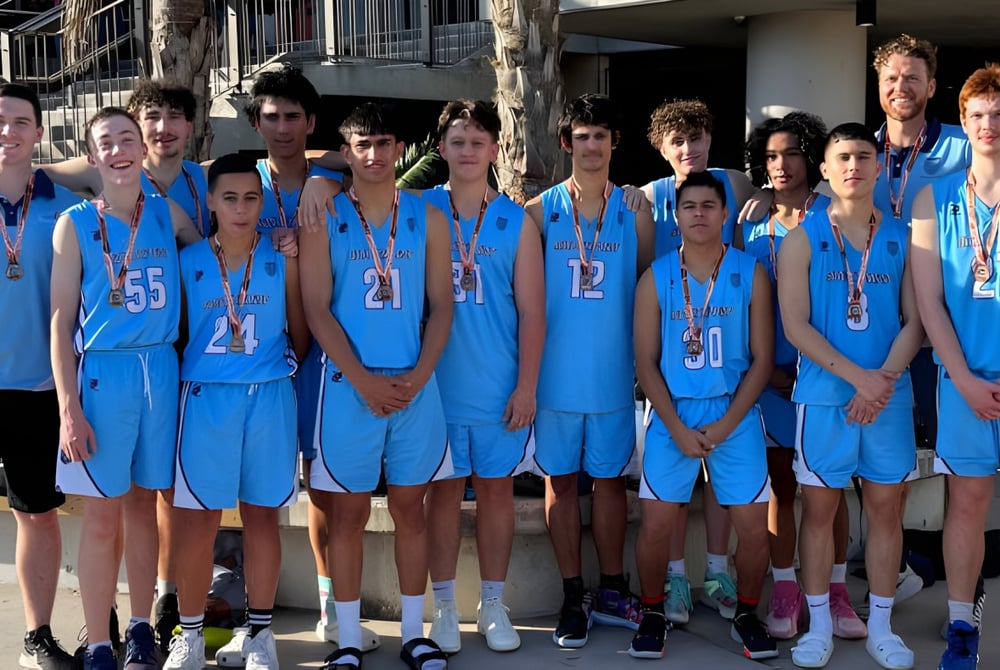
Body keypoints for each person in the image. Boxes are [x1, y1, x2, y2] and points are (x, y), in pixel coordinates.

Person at [299, 102, 453, 670]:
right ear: (346, 150)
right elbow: (316, 309)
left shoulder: (427, 216)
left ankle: (415, 635)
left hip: (415, 387)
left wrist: (418, 376)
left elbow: (442, 307)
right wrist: (363, 380)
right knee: (348, 515)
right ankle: (345, 637)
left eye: (383, 144)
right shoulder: (326, 215)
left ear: (398, 148)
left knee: (411, 511)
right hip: (348, 387)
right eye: (361, 146)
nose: (373, 155)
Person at [50, 107, 199, 670]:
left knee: (142, 507)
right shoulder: (75, 224)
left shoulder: (167, 214)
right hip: (102, 375)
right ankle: (97, 643)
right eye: (105, 142)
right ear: (93, 157)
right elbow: (60, 323)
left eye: (127, 139)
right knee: (102, 515)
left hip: (159, 370)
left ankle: (140, 628)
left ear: (142, 150)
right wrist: (69, 409)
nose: (118, 150)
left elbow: (218, 253)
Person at [778, 123, 923, 670]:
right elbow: (795, 326)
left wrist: (880, 378)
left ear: (879, 166)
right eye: (843, 157)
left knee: (887, 512)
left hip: (887, 399)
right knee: (819, 512)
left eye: (864, 156)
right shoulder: (802, 237)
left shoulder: (901, 236)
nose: (854, 166)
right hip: (824, 400)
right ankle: (818, 627)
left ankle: (882, 627)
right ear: (825, 168)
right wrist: (859, 380)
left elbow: (917, 320)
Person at [159, 153, 309, 670]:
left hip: (269, 398)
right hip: (205, 401)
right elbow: (177, 336)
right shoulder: (189, 261)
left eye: (251, 198)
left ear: (261, 202)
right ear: (211, 202)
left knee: (263, 516)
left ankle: (261, 635)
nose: (241, 208)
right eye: (229, 198)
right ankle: (192, 636)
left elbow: (300, 332)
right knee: (197, 523)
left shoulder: (282, 258)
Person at [629, 170, 776, 661]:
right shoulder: (656, 277)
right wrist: (673, 427)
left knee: (754, 526)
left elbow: (762, 357)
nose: (698, 214)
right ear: (676, 214)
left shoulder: (748, 272)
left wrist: (727, 424)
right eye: (689, 206)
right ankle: (653, 613)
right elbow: (644, 363)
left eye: (708, 206)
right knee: (654, 524)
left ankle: (748, 612)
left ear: (725, 213)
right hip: (673, 415)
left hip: (734, 415)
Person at [525, 93, 654, 648]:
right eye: (582, 135)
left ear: (614, 143)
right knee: (559, 481)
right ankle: (571, 593)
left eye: (601, 135)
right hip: (554, 379)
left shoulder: (635, 210)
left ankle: (610, 587)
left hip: (610, 377)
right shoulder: (537, 212)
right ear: (566, 142)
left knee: (607, 483)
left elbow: (649, 288)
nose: (592, 145)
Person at [422, 100, 545, 654]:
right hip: (436, 386)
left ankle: (492, 604)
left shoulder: (515, 220)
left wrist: (526, 386)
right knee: (442, 496)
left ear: (495, 149)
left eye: (478, 141)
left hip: (499, 387)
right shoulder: (417, 211)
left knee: (496, 494)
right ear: (441, 148)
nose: (467, 151)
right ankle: (444, 606)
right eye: (457, 141)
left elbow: (533, 313)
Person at [739, 112, 864, 641]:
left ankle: (835, 593)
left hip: (826, 373)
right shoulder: (748, 223)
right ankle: (786, 590)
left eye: (790, 153)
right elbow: (734, 303)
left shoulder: (835, 216)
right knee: (782, 488)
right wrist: (764, 373)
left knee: (828, 489)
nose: (780, 165)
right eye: (770, 156)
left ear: (811, 158)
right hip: (767, 378)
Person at [640, 99, 753, 623]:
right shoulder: (645, 198)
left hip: (728, 357)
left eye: (697, 138)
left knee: (724, 489)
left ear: (711, 138)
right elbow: (646, 273)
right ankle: (676, 579)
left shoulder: (737, 183)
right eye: (677, 142)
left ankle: (716, 570)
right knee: (673, 492)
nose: (689, 150)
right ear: (663, 151)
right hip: (676, 364)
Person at [872, 34, 974, 606]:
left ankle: (969, 591)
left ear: (932, 87)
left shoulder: (964, 146)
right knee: (891, 452)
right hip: (879, 327)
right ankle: (907, 562)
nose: (900, 87)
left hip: (946, 330)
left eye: (912, 78)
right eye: (891, 78)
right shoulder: (860, 148)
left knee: (958, 462)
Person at [910, 63, 1000, 670]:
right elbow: (929, 301)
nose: (989, 126)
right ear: (962, 125)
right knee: (966, 503)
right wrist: (963, 377)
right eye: (978, 116)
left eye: (998, 115)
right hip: (963, 379)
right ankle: (961, 624)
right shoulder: (932, 197)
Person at [0, 83, 83, 670]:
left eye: (19, 122)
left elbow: (118, 171)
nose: (7, 131)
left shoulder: (64, 204)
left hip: (36, 389)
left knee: (37, 513)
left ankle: (38, 636)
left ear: (37, 132)